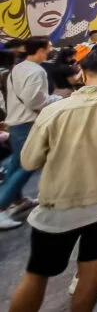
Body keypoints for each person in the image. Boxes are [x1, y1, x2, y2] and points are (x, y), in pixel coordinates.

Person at [8, 48, 97, 311]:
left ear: (83, 75)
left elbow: (29, 160)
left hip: (57, 205)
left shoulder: (55, 110)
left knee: (37, 272)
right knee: (92, 266)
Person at [0, 36, 51, 230]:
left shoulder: (19, 67)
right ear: (40, 50)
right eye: (48, 48)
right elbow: (34, 101)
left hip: (15, 121)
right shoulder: (37, 71)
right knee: (27, 164)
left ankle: (16, 200)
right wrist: (54, 99)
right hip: (27, 122)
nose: (50, 52)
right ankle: (2, 206)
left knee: (16, 163)